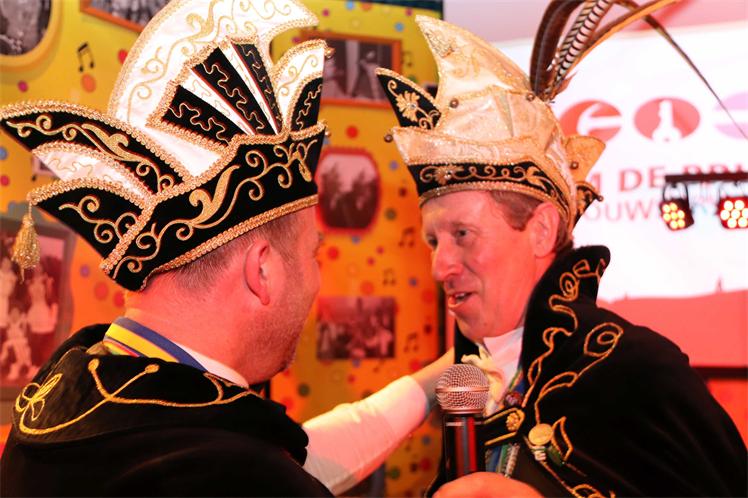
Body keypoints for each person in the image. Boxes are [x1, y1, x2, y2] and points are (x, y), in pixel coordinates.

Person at [0, 1, 450, 495]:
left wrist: (435, 381)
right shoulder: (232, 471)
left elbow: (292, 459)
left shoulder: (71, 399)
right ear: (262, 270)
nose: (318, 279)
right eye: (312, 254)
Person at [373, 12, 747, 498]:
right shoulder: (475, 385)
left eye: (463, 234)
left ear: (541, 230)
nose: (440, 266)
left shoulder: (635, 371)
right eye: (433, 241)